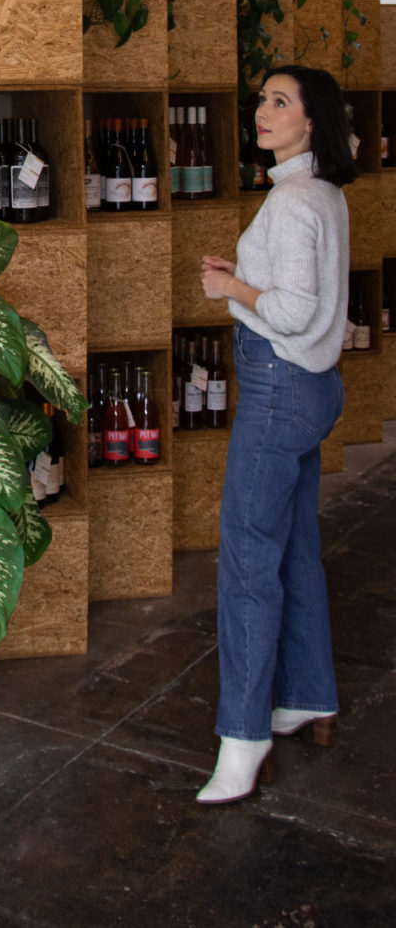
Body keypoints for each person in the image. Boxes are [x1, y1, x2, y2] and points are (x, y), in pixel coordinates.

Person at [196, 65, 355, 804]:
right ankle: (310, 694)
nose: (262, 111)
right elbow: (307, 300)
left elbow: (290, 312)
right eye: (262, 99)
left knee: (248, 566)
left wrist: (231, 289)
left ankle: (244, 737)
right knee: (294, 551)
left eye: (279, 101)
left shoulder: (292, 202)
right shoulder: (323, 193)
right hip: (315, 390)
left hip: (276, 388)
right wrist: (245, 282)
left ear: (311, 120)